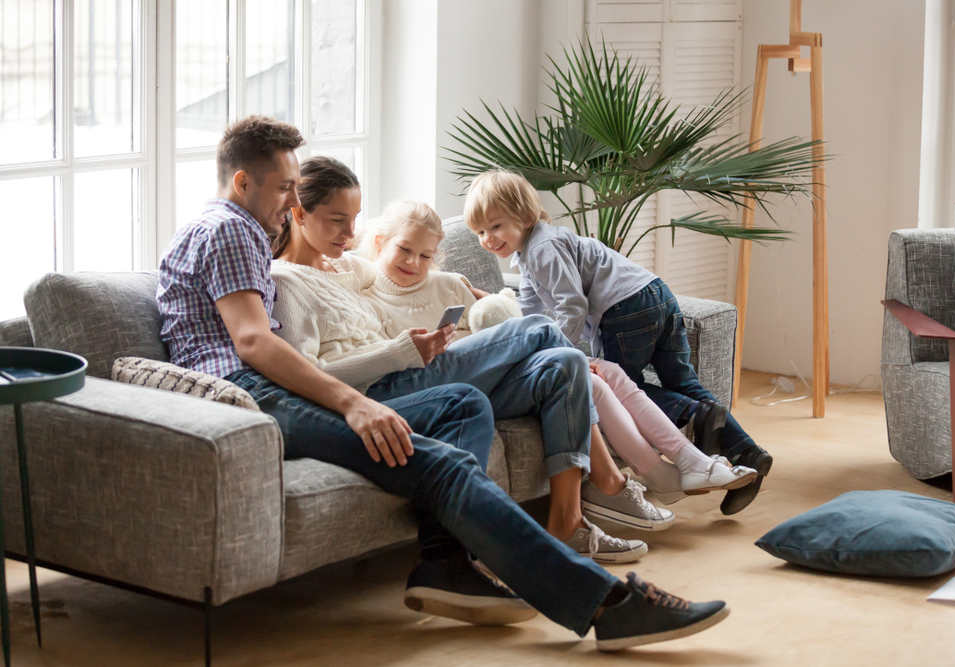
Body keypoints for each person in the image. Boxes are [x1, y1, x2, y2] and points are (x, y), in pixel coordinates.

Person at [155, 116, 730, 650]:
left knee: (463, 403)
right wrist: (356, 404)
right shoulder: (231, 230)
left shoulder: (238, 232)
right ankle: (606, 602)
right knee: (445, 459)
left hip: (264, 392)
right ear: (241, 181)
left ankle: (444, 563)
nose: (290, 200)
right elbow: (254, 344)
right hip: (250, 400)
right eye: (284, 188)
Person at [272, 176, 665, 564]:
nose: (349, 232)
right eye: (337, 220)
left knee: (563, 365)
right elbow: (304, 375)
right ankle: (610, 479)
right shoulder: (284, 281)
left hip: (414, 369)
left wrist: (469, 294)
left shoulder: (349, 268)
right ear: (298, 214)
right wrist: (400, 352)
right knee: (542, 327)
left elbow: (405, 276)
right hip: (383, 389)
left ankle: (567, 521)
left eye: (355, 219)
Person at [357, 199, 757, 508]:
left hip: (506, 367)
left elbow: (501, 320)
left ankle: (678, 467)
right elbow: (399, 363)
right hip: (453, 381)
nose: (415, 263)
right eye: (405, 251)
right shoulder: (368, 295)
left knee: (606, 375)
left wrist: (487, 298)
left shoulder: (447, 282)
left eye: (425, 256)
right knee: (581, 364)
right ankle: (675, 466)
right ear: (379, 243)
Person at [463, 170, 774, 516]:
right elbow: (528, 312)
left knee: (623, 387)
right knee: (683, 382)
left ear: (523, 216)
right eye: (479, 232)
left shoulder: (542, 249)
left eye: (495, 226)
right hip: (655, 294)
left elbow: (572, 305)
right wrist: (486, 304)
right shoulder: (531, 251)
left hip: (624, 309)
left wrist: (561, 350)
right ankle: (748, 451)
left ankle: (695, 415)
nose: (488, 238)